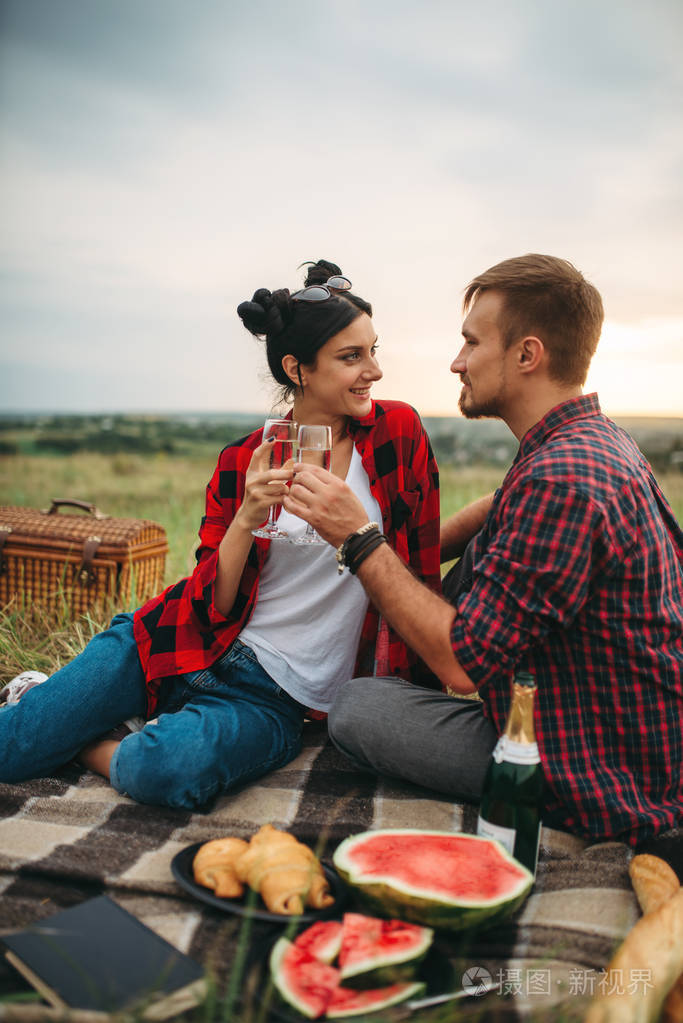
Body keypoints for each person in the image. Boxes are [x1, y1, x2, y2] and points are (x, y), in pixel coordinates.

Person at [0, 260, 441, 810]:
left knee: (163, 769)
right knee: (8, 753)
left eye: (374, 350)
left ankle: (92, 736)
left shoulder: (398, 434)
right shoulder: (242, 459)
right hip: (172, 640)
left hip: (273, 697)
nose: (374, 370)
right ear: (297, 368)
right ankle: (53, 706)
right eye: (352, 357)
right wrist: (246, 517)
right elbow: (212, 602)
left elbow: (419, 562)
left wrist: (420, 693)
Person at [284, 253, 683, 848]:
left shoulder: (563, 481)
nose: (456, 362)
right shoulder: (587, 440)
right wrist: (390, 548)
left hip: (590, 759)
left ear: (526, 355)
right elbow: (503, 508)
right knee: (477, 555)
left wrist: (359, 538)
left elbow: (463, 669)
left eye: (472, 344)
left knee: (356, 709)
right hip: (617, 716)